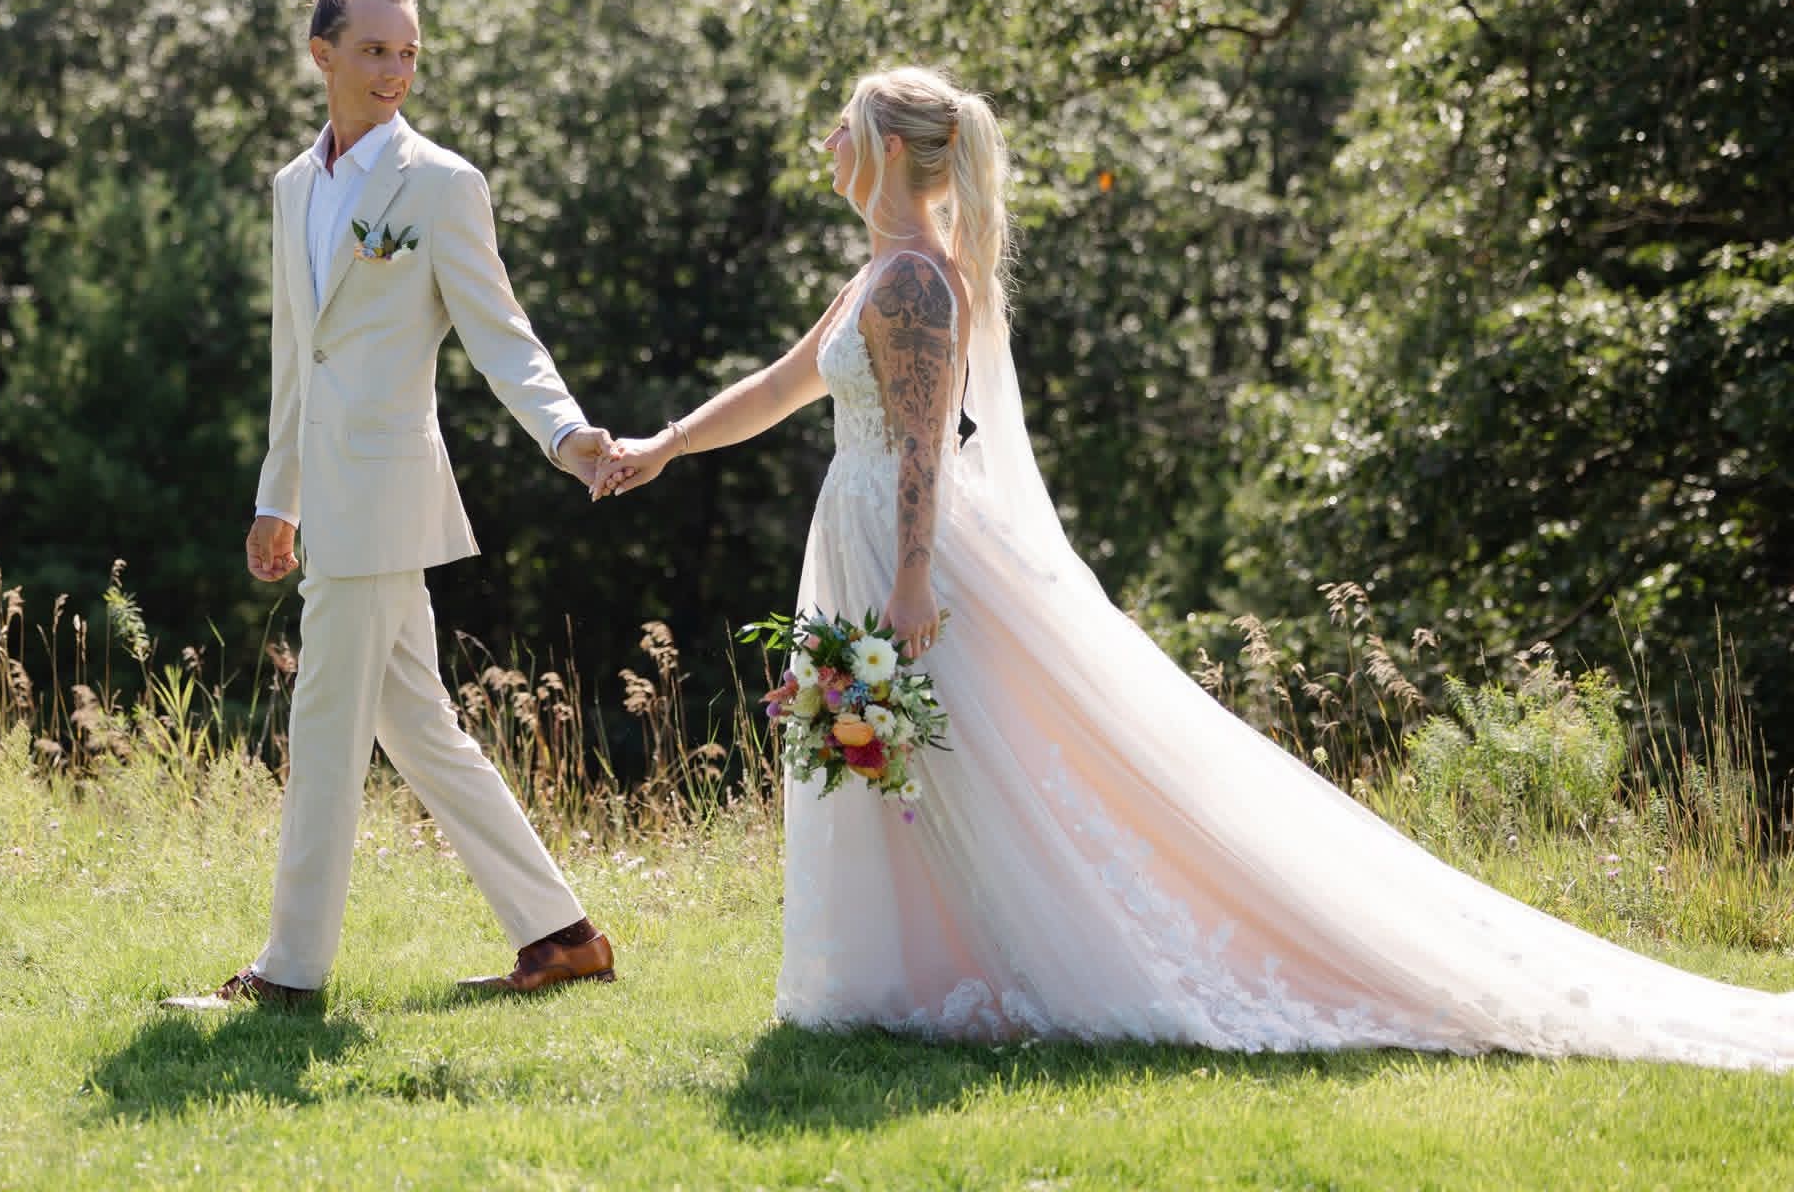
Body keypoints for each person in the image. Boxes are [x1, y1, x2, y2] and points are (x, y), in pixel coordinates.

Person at [595, 64, 1794, 1069]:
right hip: (857, 532)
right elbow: (778, 389)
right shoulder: (877, 274)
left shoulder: (912, 281)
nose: (824, 143)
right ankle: (918, 972)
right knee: (904, 763)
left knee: (959, 759)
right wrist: (661, 446)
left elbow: (919, 444)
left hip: (906, 548)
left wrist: (910, 581)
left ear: (885, 148)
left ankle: (1035, 961)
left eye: (841, 127)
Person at [166, 0, 616, 1009]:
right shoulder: (290, 188)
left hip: (385, 497)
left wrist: (568, 436)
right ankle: (562, 936)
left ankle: (289, 975)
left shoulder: (443, 184)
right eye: (371, 50)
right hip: (325, 498)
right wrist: (278, 496)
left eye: (406, 52)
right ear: (320, 54)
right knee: (417, 724)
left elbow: (501, 335)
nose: (393, 71)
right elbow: (297, 358)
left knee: (322, 730)